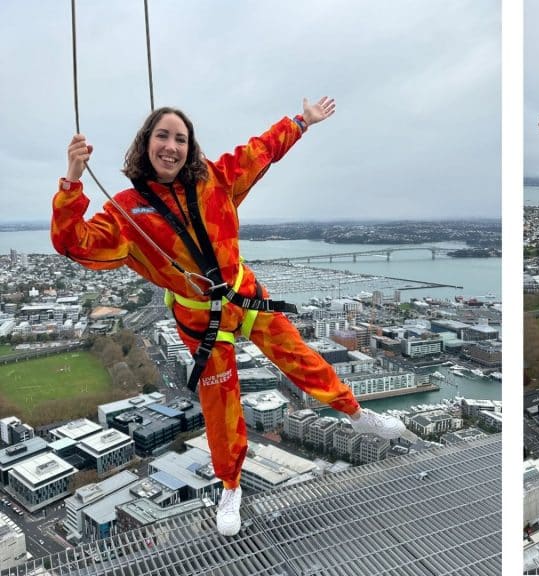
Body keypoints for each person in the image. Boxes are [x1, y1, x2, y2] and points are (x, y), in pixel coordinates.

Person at [53, 97, 410, 537]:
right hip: (201, 317)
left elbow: (262, 150)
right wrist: (72, 178)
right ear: (145, 144)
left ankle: (357, 414)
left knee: (298, 355)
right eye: (162, 136)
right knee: (220, 403)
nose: (171, 146)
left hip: (242, 295)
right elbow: (74, 242)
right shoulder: (127, 211)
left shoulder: (215, 180)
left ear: (190, 146)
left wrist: (301, 121)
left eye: (180, 138)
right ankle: (230, 485)